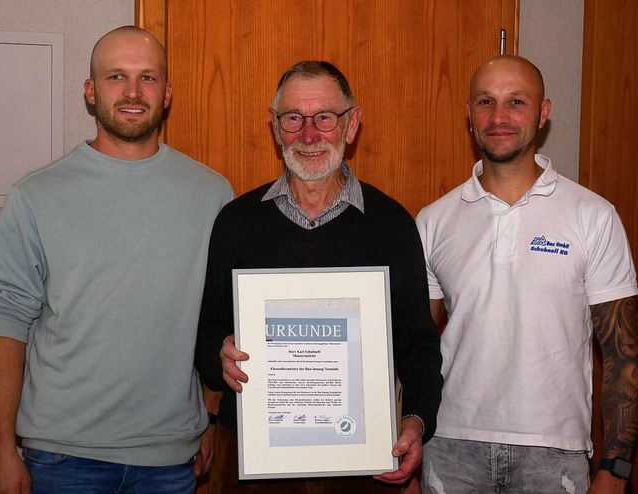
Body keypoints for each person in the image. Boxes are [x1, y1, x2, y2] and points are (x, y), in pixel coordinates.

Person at [0, 26, 234, 494]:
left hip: (171, 459)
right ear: (90, 91)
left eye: (147, 78)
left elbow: (219, 315)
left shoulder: (213, 194)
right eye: (115, 77)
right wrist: (3, 447)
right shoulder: (36, 195)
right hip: (60, 457)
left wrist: (208, 417)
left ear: (166, 94)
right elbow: (9, 320)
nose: (131, 92)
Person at [194, 60, 444, 493]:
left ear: (351, 125)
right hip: (254, 465)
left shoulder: (391, 225)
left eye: (325, 118)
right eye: (294, 119)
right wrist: (219, 357)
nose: (309, 136)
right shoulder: (236, 223)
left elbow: (418, 345)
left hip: (360, 468)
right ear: (275, 128)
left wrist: (416, 422)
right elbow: (205, 332)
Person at [416, 54, 638, 493]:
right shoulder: (433, 221)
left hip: (554, 454)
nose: (499, 117)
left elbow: (623, 353)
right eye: (485, 101)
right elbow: (413, 347)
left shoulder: (592, 216)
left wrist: (616, 469)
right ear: (469, 114)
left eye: (516, 101)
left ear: (543, 113)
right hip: (450, 448)